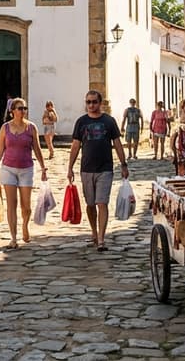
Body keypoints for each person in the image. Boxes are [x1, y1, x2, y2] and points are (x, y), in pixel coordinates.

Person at [67, 89, 129, 252]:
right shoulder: (81, 122)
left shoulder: (109, 121)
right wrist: (70, 167)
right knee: (90, 204)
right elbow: (75, 146)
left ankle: (101, 238)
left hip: (105, 169)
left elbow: (117, 143)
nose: (91, 105)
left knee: (102, 202)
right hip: (86, 169)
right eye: (88, 102)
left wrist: (123, 164)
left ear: (100, 103)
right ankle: (94, 233)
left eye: (94, 102)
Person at [0, 98, 48, 248]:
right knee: (11, 204)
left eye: (24, 108)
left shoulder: (31, 128)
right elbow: (0, 149)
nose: (23, 111)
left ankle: (25, 226)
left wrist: (43, 167)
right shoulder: (5, 128)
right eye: (20, 108)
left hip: (26, 169)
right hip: (8, 169)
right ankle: (13, 238)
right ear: (12, 111)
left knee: (25, 205)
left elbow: (37, 148)